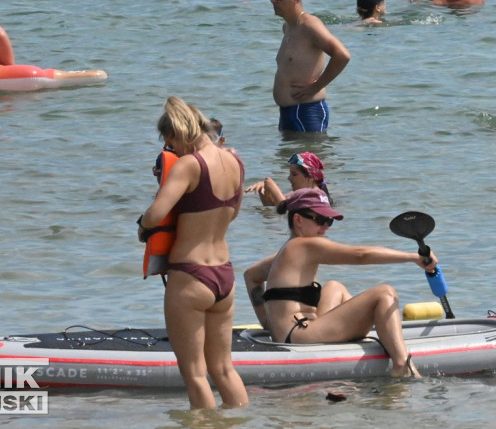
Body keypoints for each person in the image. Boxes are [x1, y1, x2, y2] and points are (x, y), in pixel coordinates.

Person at [243, 188, 428, 377]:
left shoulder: (286, 251)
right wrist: (414, 257)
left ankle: (371, 330)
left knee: (335, 287)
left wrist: (269, 323)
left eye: (329, 220)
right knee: (385, 293)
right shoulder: (305, 246)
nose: (325, 227)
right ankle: (401, 365)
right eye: (320, 220)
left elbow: (251, 275)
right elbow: (360, 255)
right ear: (298, 220)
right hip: (299, 336)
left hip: (292, 332)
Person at [138, 97, 248, 410]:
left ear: (180, 132)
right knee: (224, 369)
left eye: (170, 141)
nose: (171, 149)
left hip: (190, 276)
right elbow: (233, 213)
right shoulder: (235, 162)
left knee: (195, 374)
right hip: (224, 277)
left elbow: (156, 214)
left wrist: (143, 226)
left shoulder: (190, 165)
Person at [269, 0, 350, 133]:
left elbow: (342, 55)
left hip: (307, 111)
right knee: (287, 156)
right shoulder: (288, 27)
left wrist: (316, 87)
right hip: (288, 112)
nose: (273, 0)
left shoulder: (309, 24)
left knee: (314, 156)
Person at [245, 151, 332, 207]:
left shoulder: (314, 195)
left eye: (294, 174)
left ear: (311, 177)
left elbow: (282, 208)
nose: (289, 178)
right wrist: (263, 189)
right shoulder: (296, 194)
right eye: (290, 174)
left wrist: (272, 187)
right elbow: (271, 206)